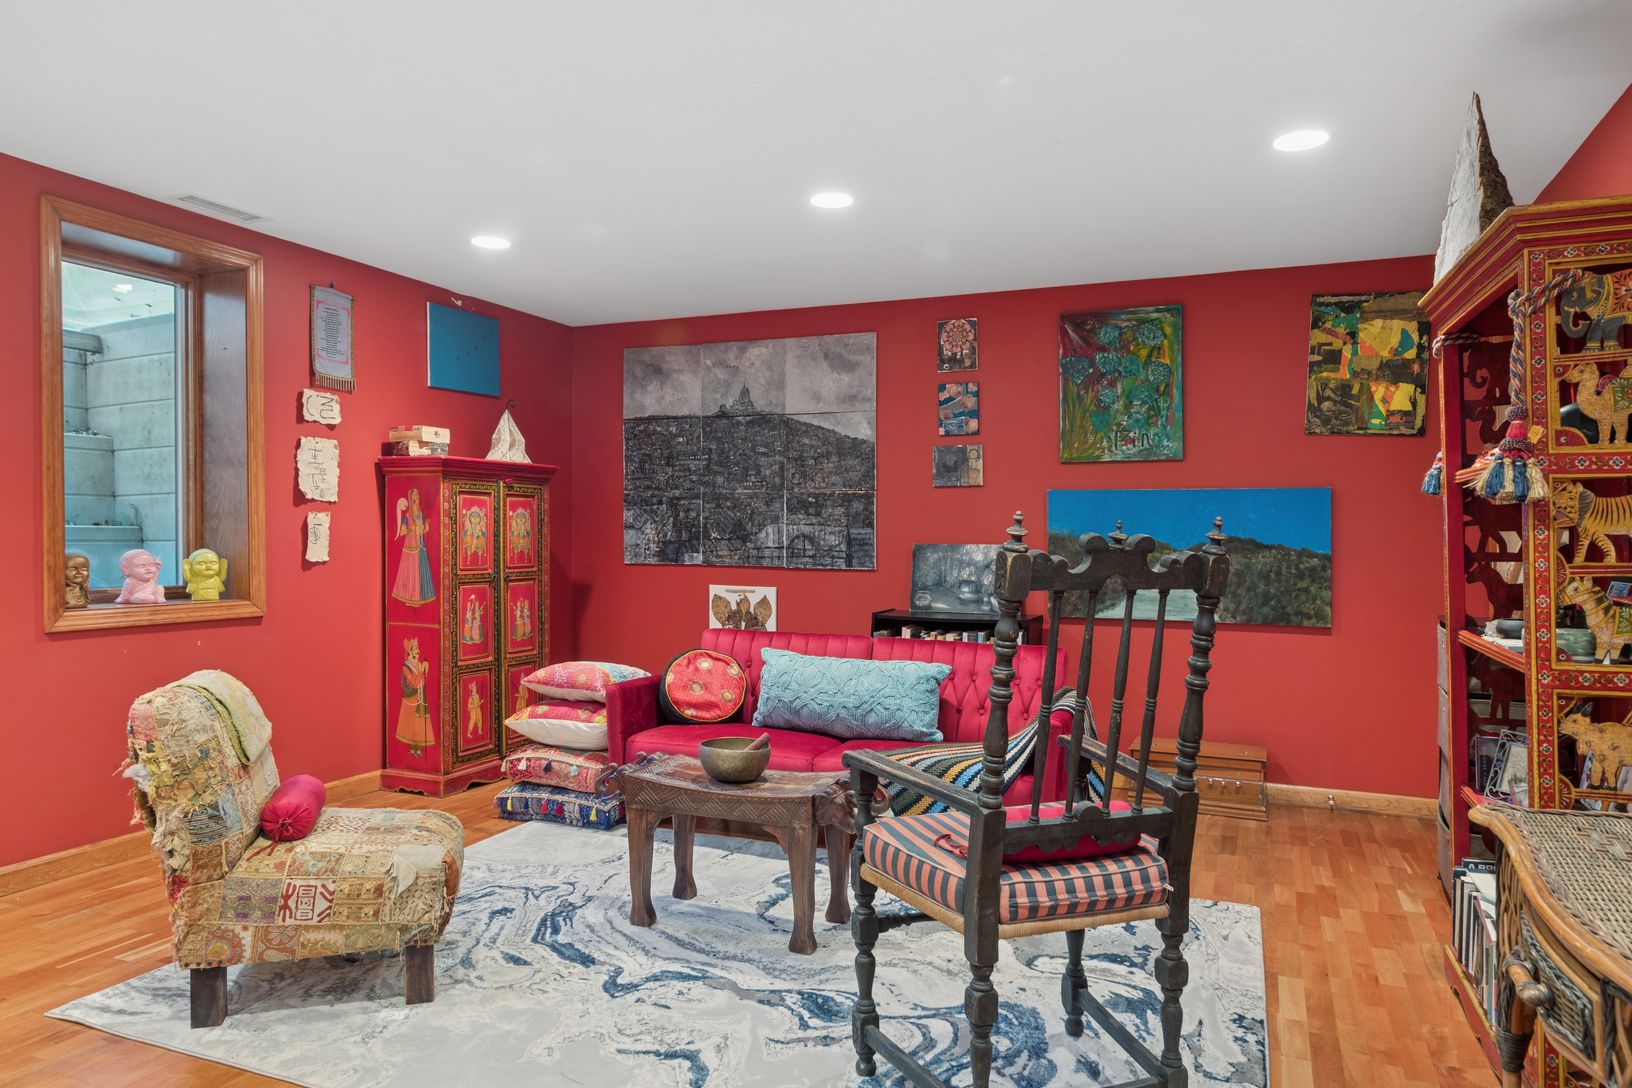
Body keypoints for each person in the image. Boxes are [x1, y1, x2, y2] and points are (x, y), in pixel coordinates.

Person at [391, 488, 435, 605]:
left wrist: (426, 525)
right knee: (412, 571)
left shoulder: (420, 514)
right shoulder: (408, 515)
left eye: (418, 494)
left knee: (421, 571)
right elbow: (402, 532)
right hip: (411, 547)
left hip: (421, 546)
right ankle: (411, 598)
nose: (418, 496)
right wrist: (411, 528)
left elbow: (423, 531)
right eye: (415, 495)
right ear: (411, 498)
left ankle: (420, 598)